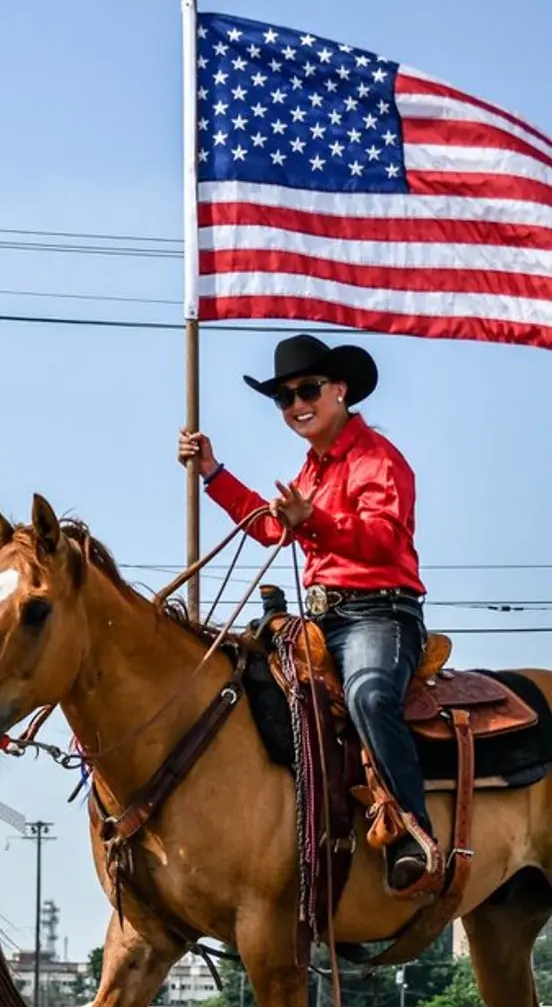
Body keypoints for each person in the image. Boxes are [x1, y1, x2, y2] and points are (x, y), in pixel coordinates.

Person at [177, 333, 434, 895]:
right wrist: (213, 472)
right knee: (242, 686)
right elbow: (273, 526)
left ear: (339, 390)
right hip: (321, 621)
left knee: (369, 694)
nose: (297, 404)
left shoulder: (377, 460)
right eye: (284, 397)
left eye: (308, 389)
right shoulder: (313, 468)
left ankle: (414, 831)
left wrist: (311, 519)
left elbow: (384, 542)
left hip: (380, 616)